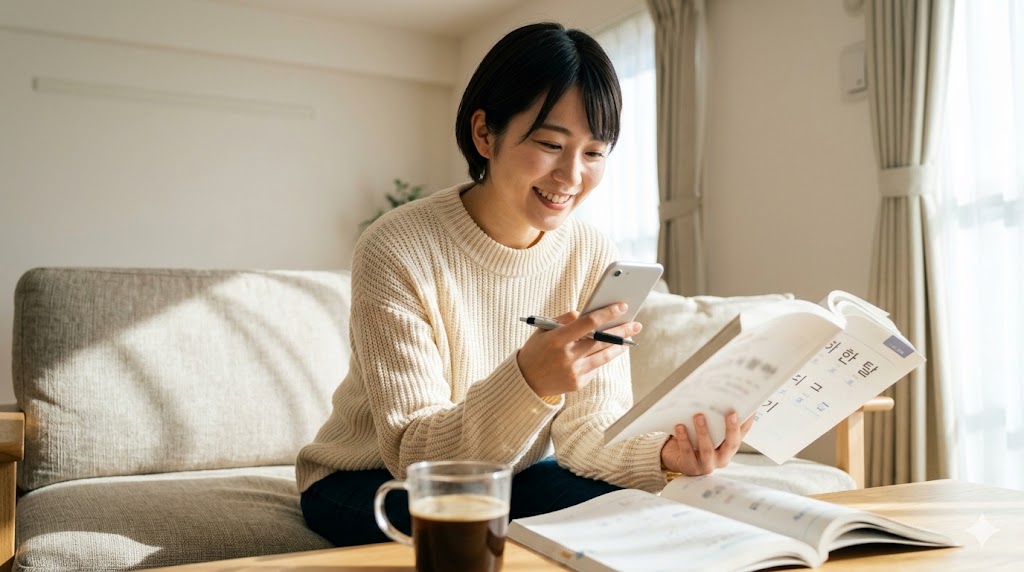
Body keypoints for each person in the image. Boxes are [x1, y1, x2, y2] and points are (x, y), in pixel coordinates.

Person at [296, 21, 752, 547]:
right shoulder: (396, 246)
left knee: (637, 509)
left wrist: (664, 458)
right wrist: (528, 380)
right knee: (463, 526)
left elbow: (587, 433)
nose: (571, 176)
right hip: (371, 479)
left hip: (510, 476)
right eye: (551, 144)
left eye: (593, 153)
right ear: (484, 133)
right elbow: (413, 453)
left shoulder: (590, 253)